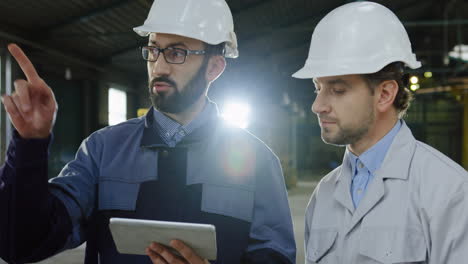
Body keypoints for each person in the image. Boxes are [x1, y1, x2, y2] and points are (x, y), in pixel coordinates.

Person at [0, 0, 296, 263]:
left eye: (177, 52)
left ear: (214, 67)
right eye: (154, 49)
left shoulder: (257, 161)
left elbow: (275, 256)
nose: (159, 66)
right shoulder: (103, 150)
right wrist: (30, 146)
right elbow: (22, 245)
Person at [292, 2, 468, 264]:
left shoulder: (448, 191)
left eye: (337, 90)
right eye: (318, 88)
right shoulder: (324, 194)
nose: (317, 106)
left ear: (385, 94)